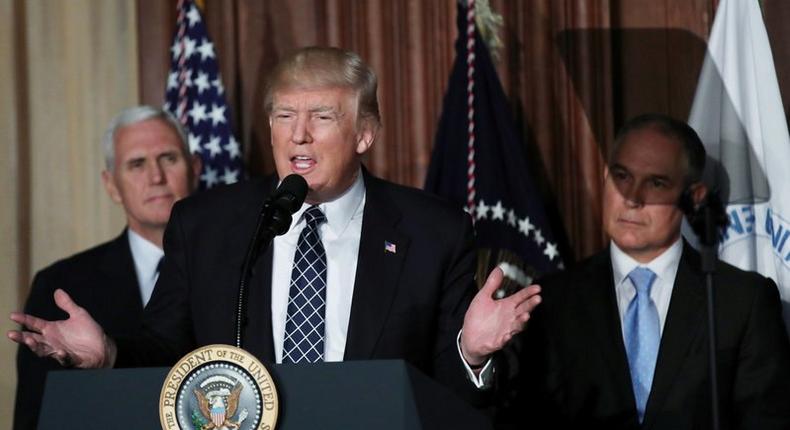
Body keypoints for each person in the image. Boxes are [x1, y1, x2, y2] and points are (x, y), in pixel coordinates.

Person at [8, 47, 541, 404]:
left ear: (364, 134)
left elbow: (441, 394)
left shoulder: (433, 231)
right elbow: (168, 353)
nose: (299, 136)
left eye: (323, 117)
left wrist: (470, 352)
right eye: (285, 116)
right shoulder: (207, 224)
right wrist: (109, 355)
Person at [460, 113, 790, 428]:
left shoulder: (741, 301)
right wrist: (475, 356)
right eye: (622, 176)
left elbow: (767, 419)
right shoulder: (552, 301)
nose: (631, 198)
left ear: (694, 197)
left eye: (656, 183)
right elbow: (510, 415)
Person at [11, 106, 201, 430]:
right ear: (111, 185)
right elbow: (36, 418)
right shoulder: (61, 287)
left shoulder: (242, 269)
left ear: (195, 170)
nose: (156, 177)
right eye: (137, 164)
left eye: (168, 158)